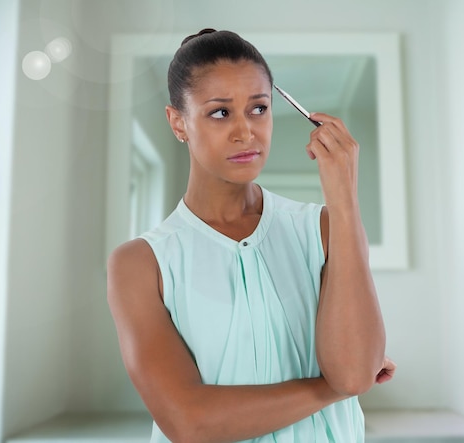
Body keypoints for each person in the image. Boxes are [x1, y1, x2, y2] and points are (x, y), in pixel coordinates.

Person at [107, 28, 396, 443]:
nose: (246, 131)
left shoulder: (326, 228)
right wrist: (331, 386)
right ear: (178, 122)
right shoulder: (140, 264)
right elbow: (191, 422)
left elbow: (353, 373)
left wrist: (344, 199)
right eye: (221, 112)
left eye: (258, 108)